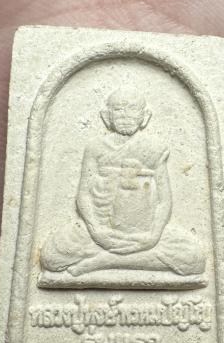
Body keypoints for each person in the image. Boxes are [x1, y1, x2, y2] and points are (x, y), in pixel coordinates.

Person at [40, 88, 204, 277]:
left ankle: (104, 261)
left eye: (133, 109)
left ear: (145, 117)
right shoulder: (95, 148)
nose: (125, 115)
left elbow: (164, 200)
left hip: (144, 231)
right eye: (118, 110)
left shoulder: (155, 148)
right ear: (106, 116)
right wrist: (97, 231)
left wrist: (153, 236)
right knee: (51, 257)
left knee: (194, 258)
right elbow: (84, 195)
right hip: (103, 229)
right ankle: (131, 259)